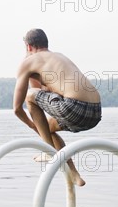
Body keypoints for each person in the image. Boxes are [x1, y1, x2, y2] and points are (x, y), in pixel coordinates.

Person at [12, 29, 101, 186]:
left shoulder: (27, 62)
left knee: (29, 96)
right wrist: (42, 129)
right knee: (48, 129)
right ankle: (75, 176)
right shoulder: (59, 57)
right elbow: (43, 92)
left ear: (28, 46)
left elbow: (17, 108)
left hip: (74, 107)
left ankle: (48, 150)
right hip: (95, 112)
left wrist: (35, 128)